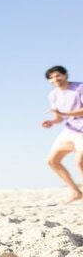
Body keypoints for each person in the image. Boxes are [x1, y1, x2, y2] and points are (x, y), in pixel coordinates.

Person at [41, 66, 83, 203]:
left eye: (58, 75)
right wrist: (52, 122)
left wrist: (64, 114)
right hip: (69, 131)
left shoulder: (79, 88)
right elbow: (58, 117)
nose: (55, 79)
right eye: (51, 77)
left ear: (65, 75)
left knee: (80, 162)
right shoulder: (53, 95)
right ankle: (75, 191)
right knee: (52, 161)